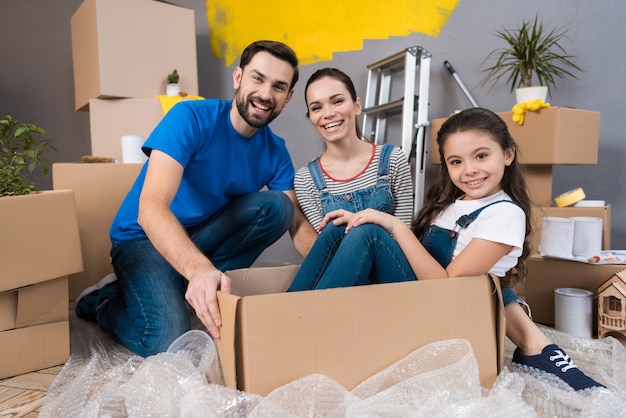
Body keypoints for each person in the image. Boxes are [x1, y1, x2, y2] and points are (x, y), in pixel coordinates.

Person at [289, 107, 605, 391]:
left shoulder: (505, 214)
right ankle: (285, 315)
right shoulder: (451, 204)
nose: (469, 170)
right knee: (341, 226)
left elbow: (446, 288)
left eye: (481, 156)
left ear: (507, 154)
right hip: (421, 294)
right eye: (457, 161)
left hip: (443, 309)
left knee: (368, 233)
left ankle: (305, 333)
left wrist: (393, 225)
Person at [74, 40, 317, 357]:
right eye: (258, 78)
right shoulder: (190, 117)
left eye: (278, 87)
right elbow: (151, 208)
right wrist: (200, 271)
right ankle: (105, 302)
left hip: (202, 236)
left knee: (278, 207)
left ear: (288, 97)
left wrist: (335, 264)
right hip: (142, 238)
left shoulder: (276, 151)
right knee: (166, 341)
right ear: (238, 77)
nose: (266, 94)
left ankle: (178, 286)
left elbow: (296, 224)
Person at [287, 67, 414, 290]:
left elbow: (405, 236)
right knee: (337, 227)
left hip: (396, 278)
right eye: (317, 108)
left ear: (356, 105)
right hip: (345, 279)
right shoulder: (306, 179)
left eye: (337, 101)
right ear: (311, 118)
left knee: (364, 229)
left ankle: (299, 318)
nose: (327, 113)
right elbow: (328, 257)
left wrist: (364, 221)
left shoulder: (392, 159)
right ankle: (290, 315)